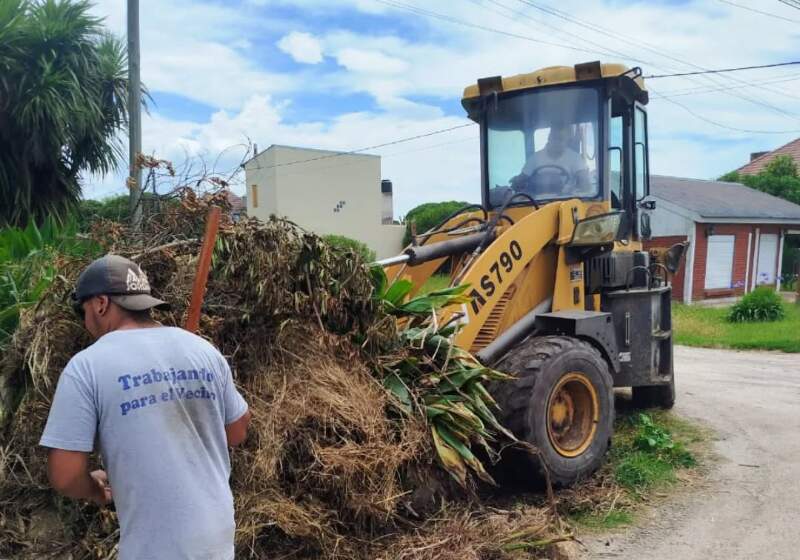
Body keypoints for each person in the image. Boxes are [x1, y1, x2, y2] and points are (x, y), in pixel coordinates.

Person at [39, 254, 251, 560]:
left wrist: (96, 490)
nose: (84, 321)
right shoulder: (202, 350)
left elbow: (65, 474)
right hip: (216, 541)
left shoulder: (86, 367)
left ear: (100, 304)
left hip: (155, 548)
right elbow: (238, 430)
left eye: (82, 310)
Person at [510, 123, 590, 195]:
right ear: (549, 138)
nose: (557, 142)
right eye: (554, 138)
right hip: (537, 202)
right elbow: (521, 180)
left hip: (566, 201)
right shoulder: (534, 159)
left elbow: (585, 183)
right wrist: (516, 182)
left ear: (567, 141)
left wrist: (581, 185)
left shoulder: (575, 158)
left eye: (560, 139)